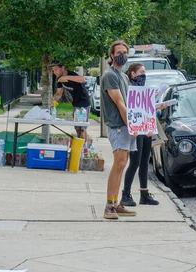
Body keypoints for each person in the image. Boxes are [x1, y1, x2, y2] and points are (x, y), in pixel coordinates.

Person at [100, 40, 137, 220]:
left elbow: (131, 102)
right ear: (112, 55)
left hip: (126, 125)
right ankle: (109, 206)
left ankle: (116, 203)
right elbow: (120, 102)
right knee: (119, 163)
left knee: (122, 164)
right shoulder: (110, 75)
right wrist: (131, 124)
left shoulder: (122, 76)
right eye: (119, 52)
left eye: (125, 52)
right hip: (118, 126)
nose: (122, 54)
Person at [121, 63, 160, 207]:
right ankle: (126, 194)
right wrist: (131, 127)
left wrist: (156, 105)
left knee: (144, 162)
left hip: (146, 129)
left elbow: (147, 109)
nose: (144, 74)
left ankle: (144, 194)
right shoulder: (128, 89)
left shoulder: (144, 90)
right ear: (133, 73)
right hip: (135, 130)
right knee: (135, 162)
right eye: (142, 72)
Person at [50, 60, 91, 141]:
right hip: (75, 104)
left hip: (84, 103)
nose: (54, 72)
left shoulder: (72, 75)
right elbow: (58, 93)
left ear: (63, 68)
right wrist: (52, 101)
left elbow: (82, 79)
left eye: (56, 69)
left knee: (82, 128)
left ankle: (83, 149)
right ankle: (83, 144)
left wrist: (66, 77)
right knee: (77, 128)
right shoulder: (59, 79)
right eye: (53, 70)